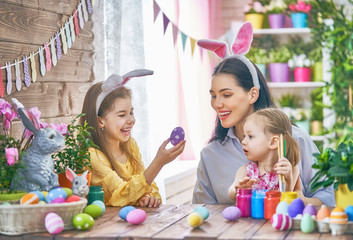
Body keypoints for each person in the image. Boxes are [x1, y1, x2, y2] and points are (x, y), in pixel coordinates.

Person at [192, 22, 335, 206]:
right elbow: (201, 212)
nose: (217, 104)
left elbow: (328, 197)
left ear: (253, 94)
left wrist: (301, 200)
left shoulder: (294, 139)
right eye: (213, 96)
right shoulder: (210, 155)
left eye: (226, 95)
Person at [80, 69, 186, 207]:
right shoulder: (92, 156)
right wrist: (158, 162)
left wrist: (147, 197)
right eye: (122, 115)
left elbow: (149, 188)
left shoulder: (130, 146)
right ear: (100, 121)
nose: (131, 120)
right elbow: (121, 195)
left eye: (131, 112)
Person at [228, 108, 301, 201]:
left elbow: (285, 200)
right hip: (252, 216)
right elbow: (231, 193)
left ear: (273, 142)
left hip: (277, 215)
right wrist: (238, 190)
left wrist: (288, 180)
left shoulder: (290, 169)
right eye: (244, 136)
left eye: (250, 136)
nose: (243, 141)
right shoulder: (246, 171)